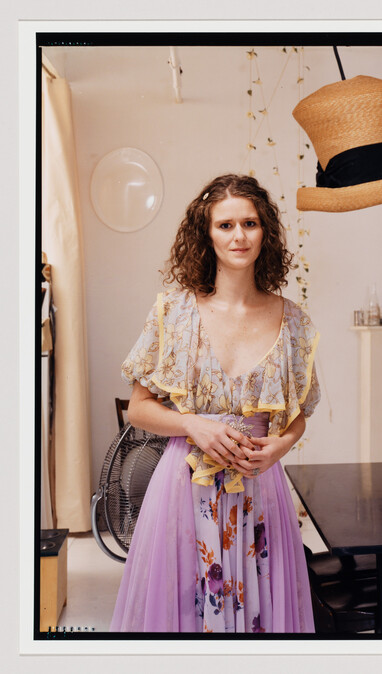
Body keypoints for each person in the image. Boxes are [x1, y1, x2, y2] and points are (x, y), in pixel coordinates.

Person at [110, 174, 319, 633]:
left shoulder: (294, 320)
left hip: (260, 490)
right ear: (206, 234)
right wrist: (193, 426)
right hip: (184, 488)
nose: (239, 236)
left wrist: (281, 445)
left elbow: (298, 414)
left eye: (250, 223)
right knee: (184, 615)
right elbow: (138, 409)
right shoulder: (174, 312)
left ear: (266, 231)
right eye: (225, 225)